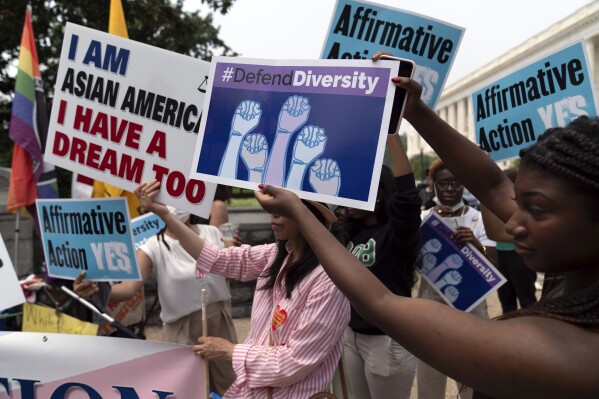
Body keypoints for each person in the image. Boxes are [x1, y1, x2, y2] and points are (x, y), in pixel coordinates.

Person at [251, 57, 599, 398]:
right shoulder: (575, 279)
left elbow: (382, 301)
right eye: (518, 202)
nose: (514, 223)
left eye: (536, 209)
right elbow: (493, 185)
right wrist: (416, 111)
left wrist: (299, 213)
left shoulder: (573, 354)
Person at [135, 180, 350, 399]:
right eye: (272, 208)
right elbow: (217, 258)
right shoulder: (275, 255)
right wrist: (166, 216)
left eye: (283, 209)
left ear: (309, 216)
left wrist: (230, 350)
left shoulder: (329, 281)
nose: (273, 215)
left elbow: (293, 363)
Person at [74, 206, 238, 396]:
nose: (175, 206)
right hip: (181, 331)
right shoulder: (153, 246)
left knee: (231, 387)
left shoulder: (213, 232)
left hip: (219, 322)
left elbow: (228, 273)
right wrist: (95, 290)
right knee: (185, 391)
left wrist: (235, 253)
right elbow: (128, 289)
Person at [337, 134, 421, 399]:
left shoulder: (396, 233)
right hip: (352, 335)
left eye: (356, 191)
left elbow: (407, 195)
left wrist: (393, 137)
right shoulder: (348, 231)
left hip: (388, 340)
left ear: (380, 195)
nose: (347, 198)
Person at [416, 158, 497, 399]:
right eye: (443, 183)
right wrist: (429, 225)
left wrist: (474, 243)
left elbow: (494, 265)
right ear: (434, 185)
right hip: (431, 306)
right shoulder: (423, 218)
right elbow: (408, 258)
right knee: (430, 378)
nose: (449, 189)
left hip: (471, 305)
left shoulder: (478, 218)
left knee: (472, 376)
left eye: (455, 183)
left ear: (463, 185)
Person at [480, 169, 538, 313]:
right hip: (503, 255)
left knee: (527, 301)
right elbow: (494, 233)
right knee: (507, 303)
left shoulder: (522, 206)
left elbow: (500, 233)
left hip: (518, 256)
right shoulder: (496, 202)